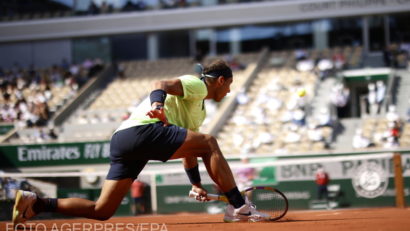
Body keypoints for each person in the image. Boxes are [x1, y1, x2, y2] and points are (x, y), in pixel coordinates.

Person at [12, 59, 268, 227]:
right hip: (144, 131)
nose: (229, 92)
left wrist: (196, 184)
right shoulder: (198, 84)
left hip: (123, 140)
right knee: (210, 142)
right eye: (229, 86)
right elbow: (160, 85)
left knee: (102, 210)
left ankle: (36, 203)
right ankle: (238, 205)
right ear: (220, 80)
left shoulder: (198, 111)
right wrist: (158, 105)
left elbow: (190, 151)